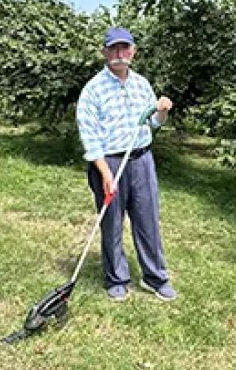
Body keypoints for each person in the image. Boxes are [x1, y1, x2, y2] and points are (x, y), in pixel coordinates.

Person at [76, 26, 177, 302]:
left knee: (148, 221)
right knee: (111, 223)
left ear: (133, 52)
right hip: (109, 162)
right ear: (104, 52)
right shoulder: (93, 90)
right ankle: (116, 279)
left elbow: (153, 123)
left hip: (142, 160)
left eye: (124, 47)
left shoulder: (142, 84)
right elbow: (90, 137)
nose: (119, 53)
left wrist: (162, 112)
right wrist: (105, 173)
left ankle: (155, 277)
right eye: (113, 48)